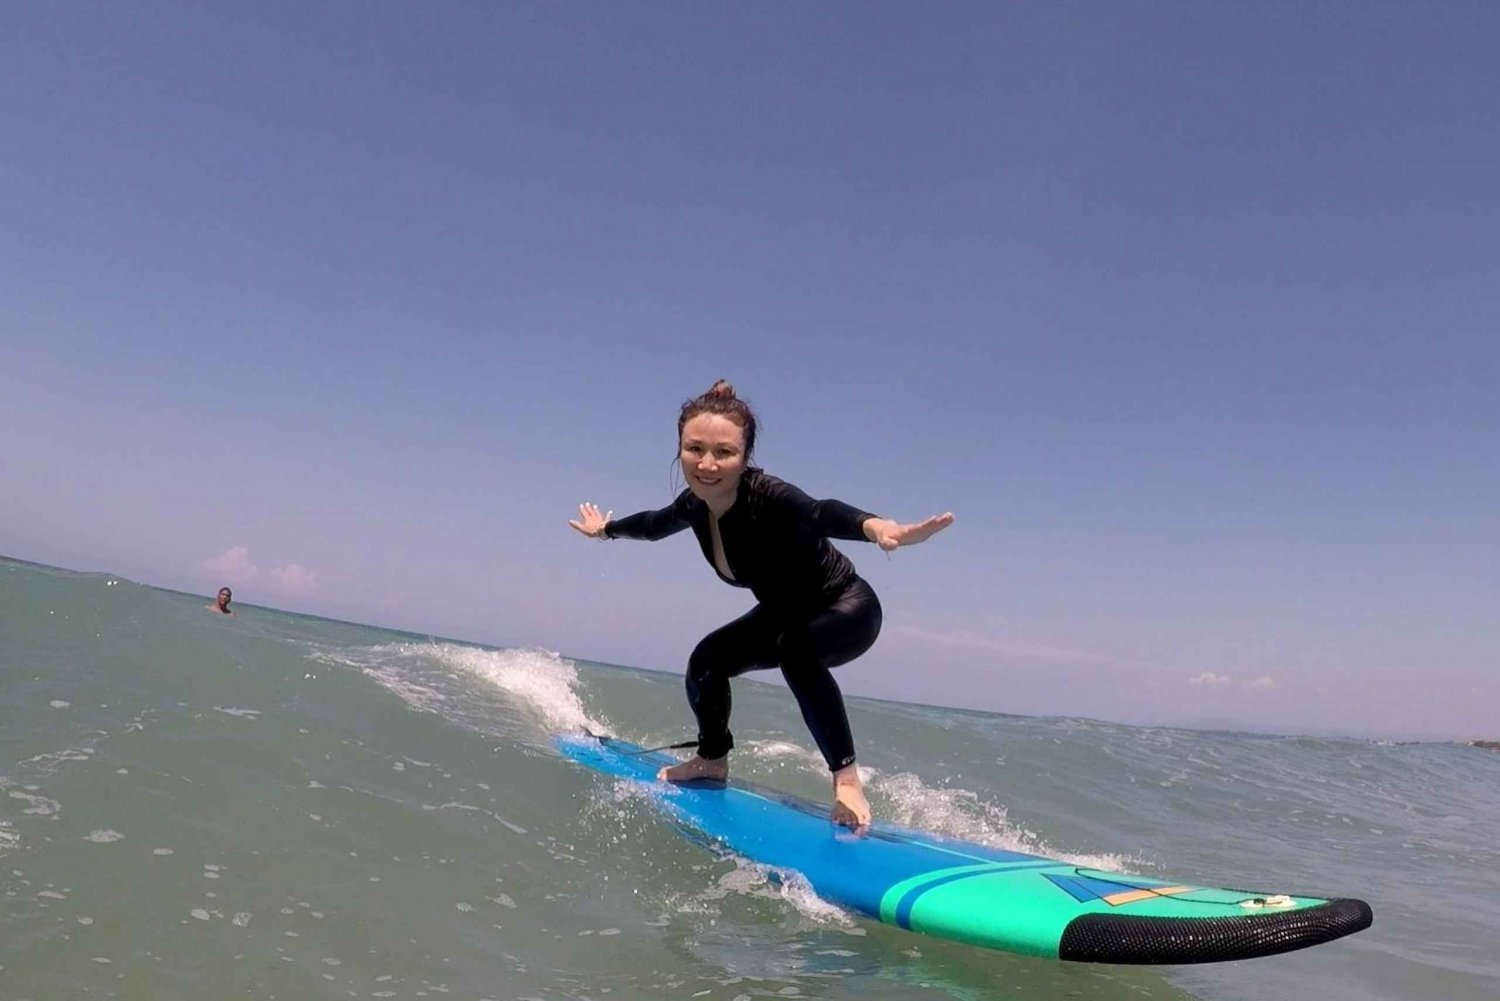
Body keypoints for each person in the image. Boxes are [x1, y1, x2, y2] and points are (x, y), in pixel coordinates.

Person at [569, 380, 953, 829]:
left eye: (724, 452)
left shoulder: (768, 495)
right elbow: (653, 525)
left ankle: (847, 780)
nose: (707, 463)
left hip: (846, 606)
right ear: (679, 448)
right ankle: (712, 761)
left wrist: (875, 527)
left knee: (796, 648)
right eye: (695, 448)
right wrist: (606, 531)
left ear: (744, 456)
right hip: (784, 613)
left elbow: (819, 511)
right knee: (707, 660)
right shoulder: (694, 506)